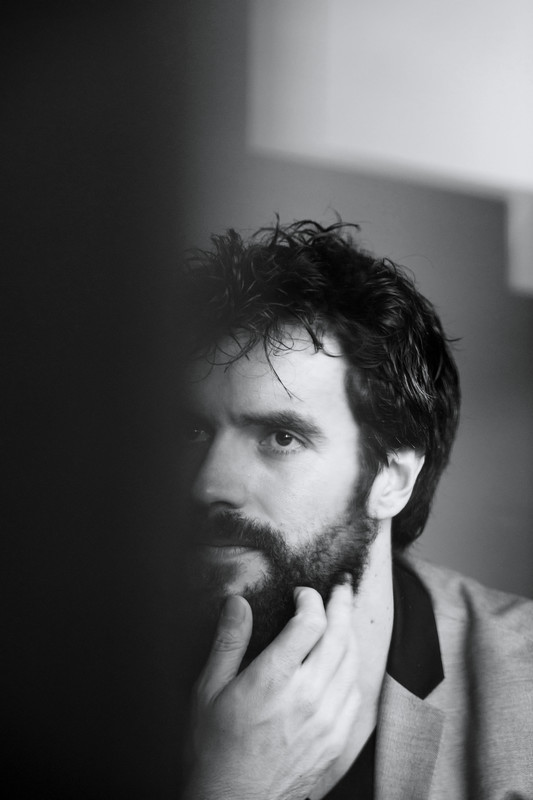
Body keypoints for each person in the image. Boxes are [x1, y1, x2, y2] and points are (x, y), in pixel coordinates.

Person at [176, 219, 533, 800]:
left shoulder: (523, 693)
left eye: (281, 438)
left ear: (392, 478)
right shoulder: (68, 674)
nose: (209, 484)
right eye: (192, 431)